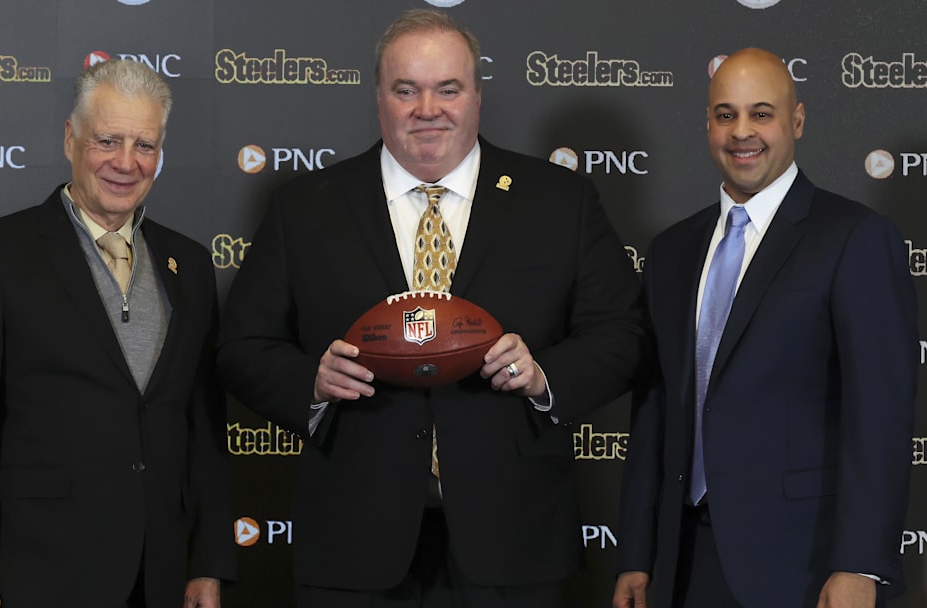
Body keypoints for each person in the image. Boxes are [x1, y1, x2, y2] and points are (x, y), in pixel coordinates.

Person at [218, 9, 647, 607]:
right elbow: (242, 347)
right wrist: (311, 382)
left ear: (476, 96)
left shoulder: (559, 201)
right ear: (379, 99)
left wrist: (544, 374)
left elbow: (621, 335)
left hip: (513, 541)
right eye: (406, 90)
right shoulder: (306, 207)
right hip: (353, 540)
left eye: (448, 88)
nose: (428, 108)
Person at [612, 48, 917, 608]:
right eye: (725, 114)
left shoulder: (855, 238)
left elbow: (880, 417)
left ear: (796, 120)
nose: (742, 132)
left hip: (803, 563)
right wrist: (636, 553)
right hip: (682, 561)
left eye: (761, 113)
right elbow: (652, 411)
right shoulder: (671, 251)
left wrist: (858, 564)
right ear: (707, 123)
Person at [0, 59, 236, 608]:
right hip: (40, 569)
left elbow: (203, 425)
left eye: (145, 145)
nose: (126, 163)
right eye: (107, 141)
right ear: (71, 138)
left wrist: (208, 562)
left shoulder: (188, 262)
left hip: (162, 572)